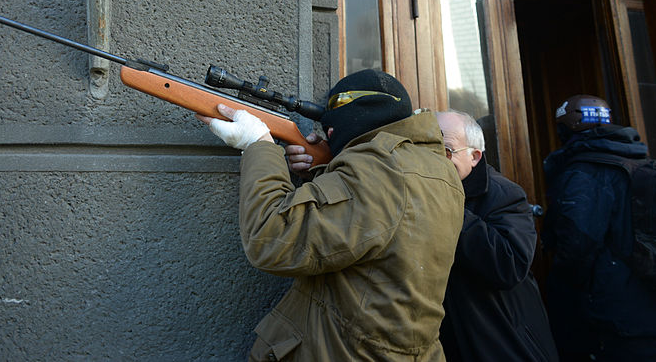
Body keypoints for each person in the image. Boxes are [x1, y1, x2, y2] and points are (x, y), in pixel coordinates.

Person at [198, 69, 465, 361]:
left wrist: (259, 145)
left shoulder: (379, 171)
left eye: (332, 128)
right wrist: (321, 174)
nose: (329, 132)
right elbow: (378, 226)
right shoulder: (436, 168)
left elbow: (271, 239)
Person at [542, 94, 656, 362]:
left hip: (627, 323)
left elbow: (576, 249)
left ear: (564, 129)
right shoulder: (643, 164)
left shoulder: (584, 173)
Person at [435, 110, 558, 362]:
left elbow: (508, 265)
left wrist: (450, 205)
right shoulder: (424, 192)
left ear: (474, 156)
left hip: (502, 344)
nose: (435, 160)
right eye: (428, 149)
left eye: (445, 151)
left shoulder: (504, 194)